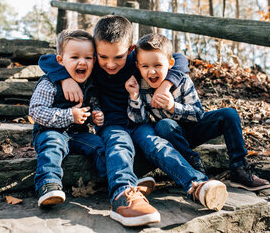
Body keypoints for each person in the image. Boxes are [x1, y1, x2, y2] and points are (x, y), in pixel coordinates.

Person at [38, 16, 189, 226]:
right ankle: (122, 194)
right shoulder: (92, 62)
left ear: (131, 50)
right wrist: (64, 78)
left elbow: (180, 58)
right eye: (102, 57)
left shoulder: (136, 60)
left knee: (153, 141)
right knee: (119, 142)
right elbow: (46, 59)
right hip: (111, 124)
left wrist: (166, 85)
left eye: (118, 57)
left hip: (140, 120)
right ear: (96, 50)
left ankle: (194, 180)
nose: (109, 64)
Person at [126, 33, 270, 192]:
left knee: (229, 114)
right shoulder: (141, 87)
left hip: (194, 127)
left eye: (157, 66)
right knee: (164, 125)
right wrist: (134, 97)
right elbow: (141, 120)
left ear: (170, 64)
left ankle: (239, 169)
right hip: (172, 135)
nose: (151, 72)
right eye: (145, 66)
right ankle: (192, 164)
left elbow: (198, 113)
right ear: (138, 65)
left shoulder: (181, 81)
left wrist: (173, 107)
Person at [29, 29, 106, 207]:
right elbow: (36, 111)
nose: (82, 62)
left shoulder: (90, 84)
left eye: (88, 57)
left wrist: (97, 115)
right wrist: (69, 115)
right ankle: (48, 185)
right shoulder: (49, 83)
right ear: (60, 60)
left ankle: (114, 178)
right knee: (52, 145)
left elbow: (94, 103)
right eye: (74, 57)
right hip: (50, 132)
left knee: (100, 145)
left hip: (80, 135)